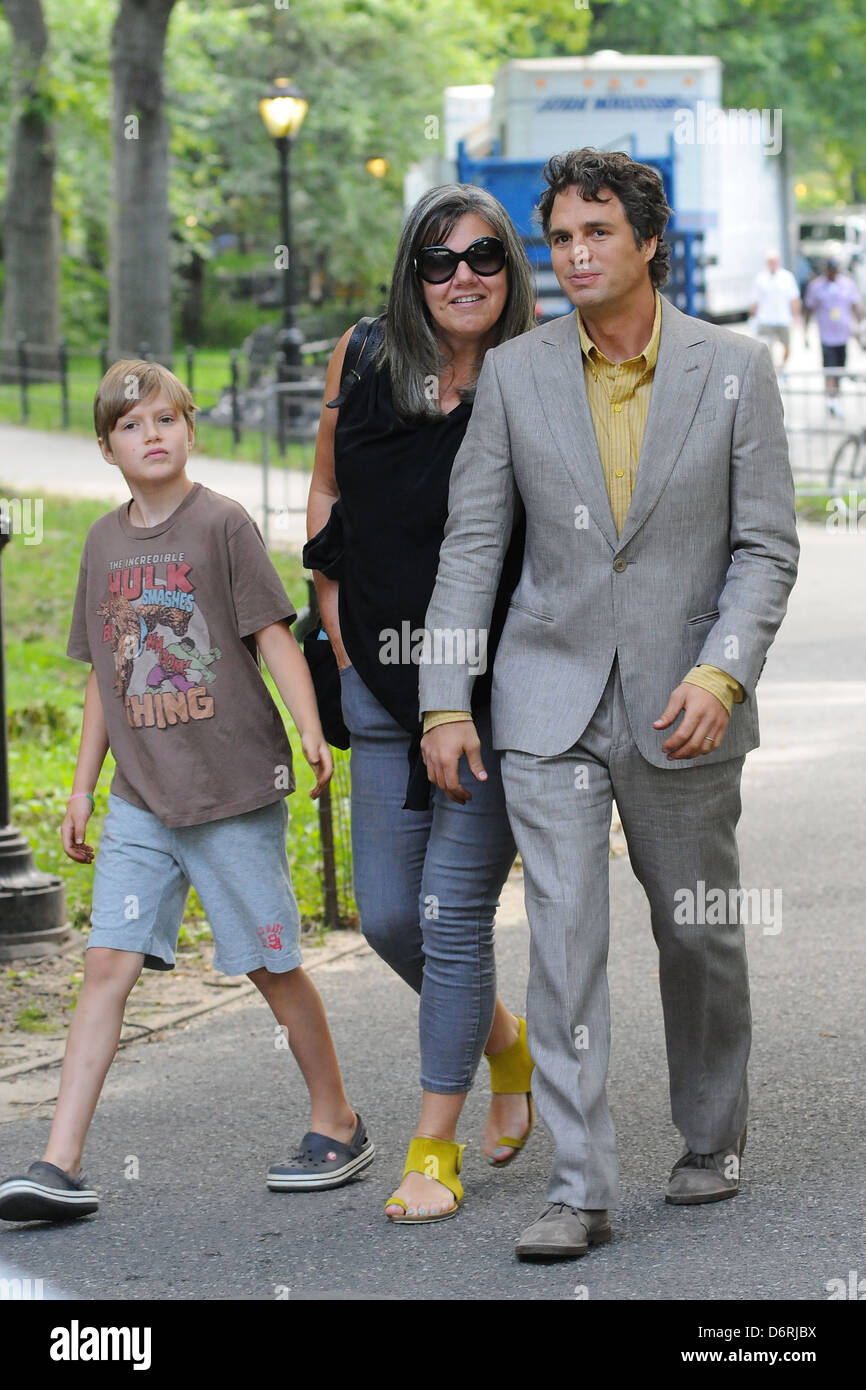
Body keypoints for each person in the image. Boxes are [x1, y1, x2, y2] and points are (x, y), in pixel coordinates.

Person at [420, 148, 799, 1260]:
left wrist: (719, 672)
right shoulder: (515, 373)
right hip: (547, 699)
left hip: (687, 700)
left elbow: (765, 546)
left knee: (695, 932)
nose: (574, 255)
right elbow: (471, 545)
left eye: (596, 234)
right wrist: (446, 698)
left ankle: (709, 1133)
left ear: (645, 243)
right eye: (560, 239)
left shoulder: (734, 365)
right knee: (562, 939)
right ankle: (578, 1186)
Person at [0, 360, 373, 1225]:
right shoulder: (100, 544)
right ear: (106, 448)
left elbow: (273, 637)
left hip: (230, 789)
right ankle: (59, 1162)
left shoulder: (223, 525)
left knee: (269, 964)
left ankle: (338, 1120)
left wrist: (311, 723)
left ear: (190, 430)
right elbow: (102, 673)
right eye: (133, 425)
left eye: (167, 418)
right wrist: (83, 787)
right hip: (141, 799)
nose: (153, 434)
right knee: (107, 966)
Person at [306, 185, 537, 1223]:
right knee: (390, 916)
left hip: (490, 694)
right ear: (410, 275)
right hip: (376, 683)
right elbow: (327, 493)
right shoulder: (360, 357)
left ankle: (429, 1148)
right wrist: (331, 606)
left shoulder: (537, 374)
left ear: (509, 267)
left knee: (447, 918)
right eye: (437, 262)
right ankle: (505, 1041)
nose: (461, 279)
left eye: (483, 256)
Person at [804, 258, 863, 416]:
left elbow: (855, 304)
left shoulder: (847, 284)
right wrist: (805, 330)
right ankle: (831, 399)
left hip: (843, 336)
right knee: (830, 368)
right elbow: (809, 309)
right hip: (827, 336)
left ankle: (835, 395)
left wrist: (861, 323)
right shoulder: (816, 286)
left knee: (840, 368)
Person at [750, 249, 800, 372]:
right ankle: (772, 371)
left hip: (783, 319)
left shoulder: (787, 277)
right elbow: (755, 300)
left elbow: (794, 298)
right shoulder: (760, 278)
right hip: (766, 319)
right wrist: (752, 317)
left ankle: (782, 368)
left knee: (787, 347)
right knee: (767, 348)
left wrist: (796, 315)